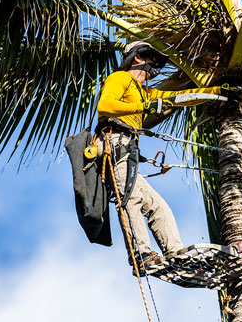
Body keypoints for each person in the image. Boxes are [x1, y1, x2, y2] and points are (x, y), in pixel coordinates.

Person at [94, 40, 225, 276]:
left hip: (128, 150)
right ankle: (141, 254)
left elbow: (182, 96)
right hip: (115, 146)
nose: (155, 71)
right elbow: (105, 105)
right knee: (130, 198)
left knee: (158, 207)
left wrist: (217, 93)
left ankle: (177, 255)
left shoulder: (145, 91)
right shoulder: (120, 79)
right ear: (138, 58)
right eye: (153, 63)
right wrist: (145, 106)